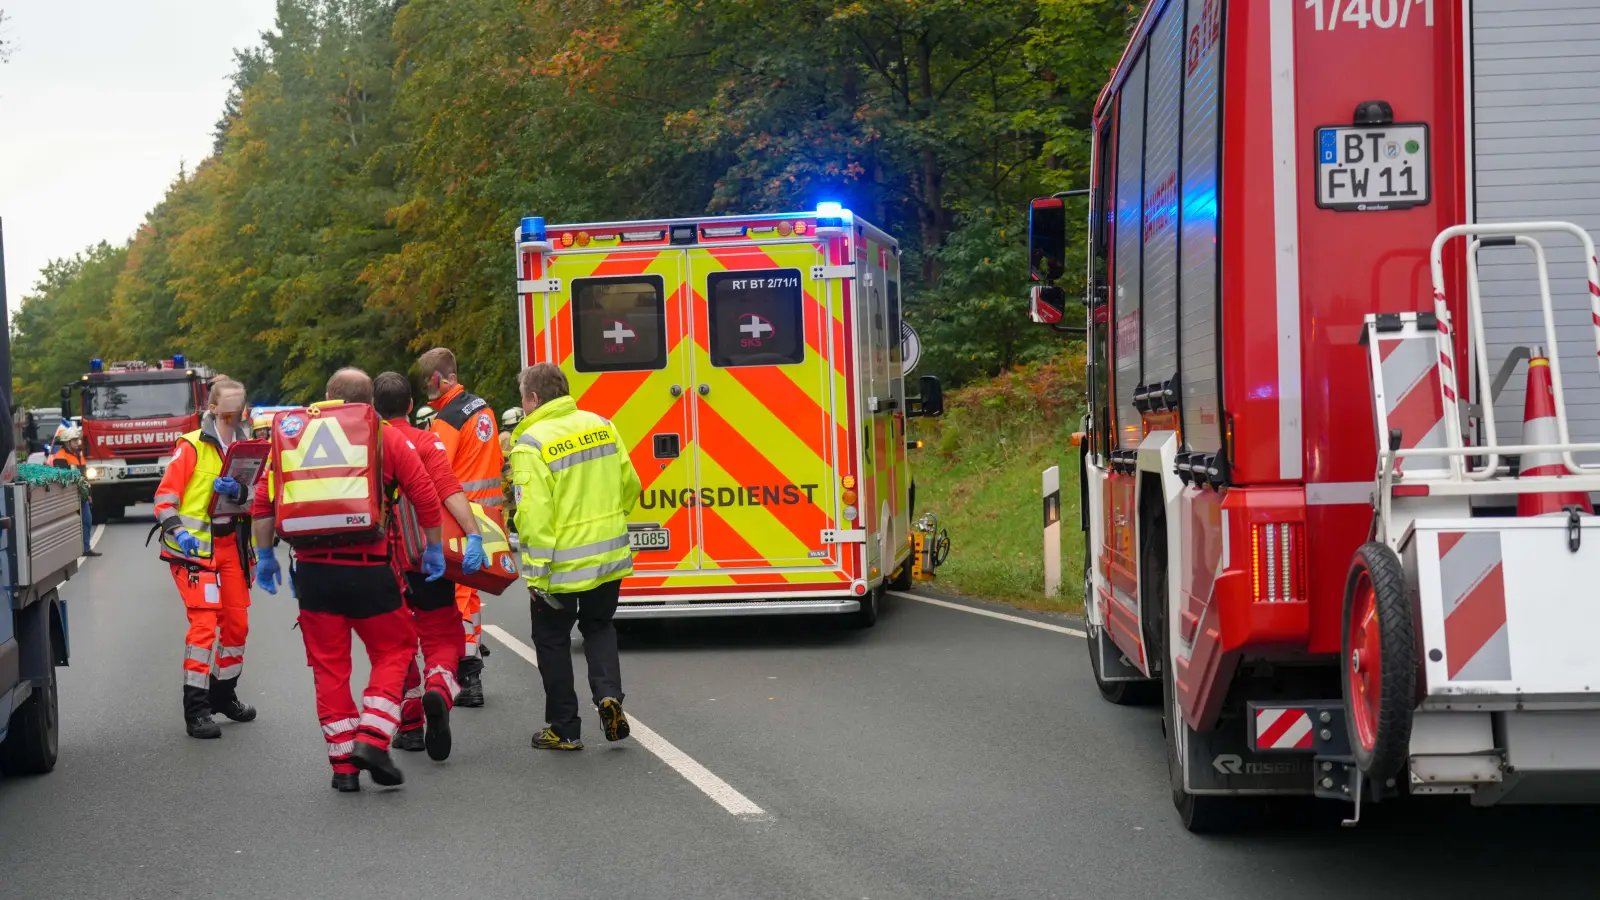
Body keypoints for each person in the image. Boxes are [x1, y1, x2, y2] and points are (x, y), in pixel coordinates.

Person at [251, 368, 447, 792]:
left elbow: (263, 504)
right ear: (370, 402)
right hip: (370, 568)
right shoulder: (383, 435)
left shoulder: (289, 437)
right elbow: (425, 495)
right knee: (394, 650)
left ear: (326, 396)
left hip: (313, 572)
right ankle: (374, 738)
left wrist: (264, 555)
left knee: (329, 669)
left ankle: (343, 768)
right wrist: (433, 547)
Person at [508, 363, 640, 751]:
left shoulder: (530, 443)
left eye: (523, 400)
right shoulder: (602, 425)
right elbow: (629, 484)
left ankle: (564, 728)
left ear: (534, 399)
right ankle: (609, 697)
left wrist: (536, 573)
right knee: (599, 626)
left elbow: (533, 516)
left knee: (552, 639)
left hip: (561, 565)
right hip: (609, 555)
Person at [371, 371, 489, 761]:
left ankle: (409, 727)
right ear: (410, 405)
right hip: (426, 555)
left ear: (374, 407)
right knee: (441, 634)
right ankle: (438, 689)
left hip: (380, 562)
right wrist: (473, 534)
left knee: (395, 645)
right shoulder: (425, 440)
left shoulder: (367, 444)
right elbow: (449, 490)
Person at [152, 381, 256, 738]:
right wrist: (179, 531)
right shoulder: (192, 446)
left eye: (238, 406)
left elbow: (261, 497)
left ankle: (223, 695)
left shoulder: (249, 447)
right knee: (203, 627)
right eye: (227, 406)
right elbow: (165, 498)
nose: (233, 412)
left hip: (231, 548)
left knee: (237, 626)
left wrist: (241, 491)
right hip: (194, 552)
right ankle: (196, 710)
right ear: (212, 407)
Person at [418, 347, 504, 707]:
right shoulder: (482, 406)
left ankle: (468, 675)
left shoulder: (446, 421)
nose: (429, 391)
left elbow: (438, 471)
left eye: (433, 383)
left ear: (448, 378)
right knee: (471, 596)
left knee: (461, 599)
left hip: (461, 518)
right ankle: (467, 668)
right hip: (489, 515)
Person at [49, 427, 101, 558]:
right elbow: (64, 479)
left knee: (87, 521)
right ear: (67, 442)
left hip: (81, 494)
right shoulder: (60, 457)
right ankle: (67, 551)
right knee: (69, 524)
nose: (77, 442)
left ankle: (86, 548)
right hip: (68, 496)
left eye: (77, 440)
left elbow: (84, 476)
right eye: (74, 440)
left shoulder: (79, 455)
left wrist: (88, 494)